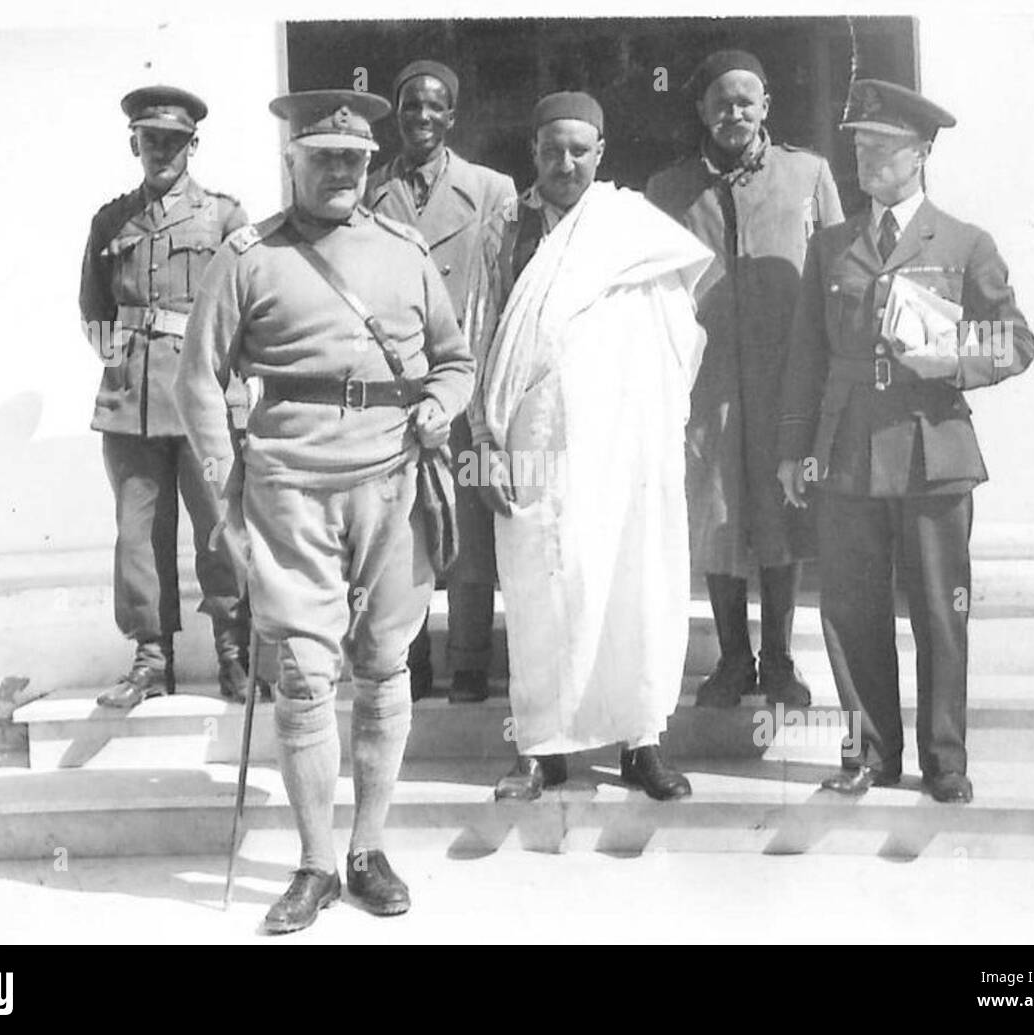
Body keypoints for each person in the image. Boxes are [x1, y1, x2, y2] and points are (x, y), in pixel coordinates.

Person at [174, 89, 474, 933]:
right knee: (305, 678)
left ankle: (368, 850)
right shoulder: (248, 257)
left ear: (369, 165)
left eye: (355, 159)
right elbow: (199, 380)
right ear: (292, 163)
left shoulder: (406, 252)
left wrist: (441, 405)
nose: (341, 170)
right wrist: (226, 485)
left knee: (385, 667)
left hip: (392, 486)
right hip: (289, 493)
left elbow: (455, 361)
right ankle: (313, 864)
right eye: (324, 157)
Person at [775, 79, 1034, 804]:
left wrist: (950, 358)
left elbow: (1015, 339)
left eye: (882, 149)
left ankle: (944, 758)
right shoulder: (831, 247)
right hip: (849, 448)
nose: (865, 160)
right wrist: (795, 451)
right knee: (852, 610)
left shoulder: (963, 242)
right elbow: (806, 357)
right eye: (858, 146)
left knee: (938, 610)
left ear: (920, 154)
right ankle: (869, 755)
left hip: (932, 447)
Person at [466, 91, 712, 802]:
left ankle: (641, 742)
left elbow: (678, 331)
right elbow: (482, 336)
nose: (565, 162)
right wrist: (482, 442)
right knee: (543, 590)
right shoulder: (505, 230)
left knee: (634, 580)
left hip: (625, 446)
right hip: (533, 444)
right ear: (533, 153)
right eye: (552, 150)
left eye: (579, 149)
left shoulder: (632, 227)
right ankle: (540, 748)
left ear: (601, 153)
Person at [647, 49, 844, 710]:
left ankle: (781, 659)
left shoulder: (808, 174)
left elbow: (838, 276)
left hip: (787, 376)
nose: (733, 112)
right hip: (707, 382)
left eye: (745, 101)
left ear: (765, 108)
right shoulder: (668, 190)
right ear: (701, 110)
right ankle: (733, 660)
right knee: (719, 513)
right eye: (720, 102)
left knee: (781, 512)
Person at [79, 85, 260, 708]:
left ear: (193, 145)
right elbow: (94, 309)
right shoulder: (111, 221)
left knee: (218, 524)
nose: (161, 152)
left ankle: (236, 654)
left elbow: (250, 305)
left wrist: (228, 378)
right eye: (150, 140)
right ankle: (152, 661)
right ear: (134, 143)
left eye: (174, 141)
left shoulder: (226, 218)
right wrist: (122, 362)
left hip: (204, 398)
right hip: (131, 404)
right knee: (137, 535)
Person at [365, 60, 517, 704]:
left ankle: (472, 662)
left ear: (452, 116)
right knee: (405, 529)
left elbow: (508, 291)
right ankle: (412, 659)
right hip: (395, 388)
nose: (420, 119)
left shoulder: (491, 189)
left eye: (434, 108)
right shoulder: (369, 191)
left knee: (473, 528)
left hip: (465, 381)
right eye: (409, 107)